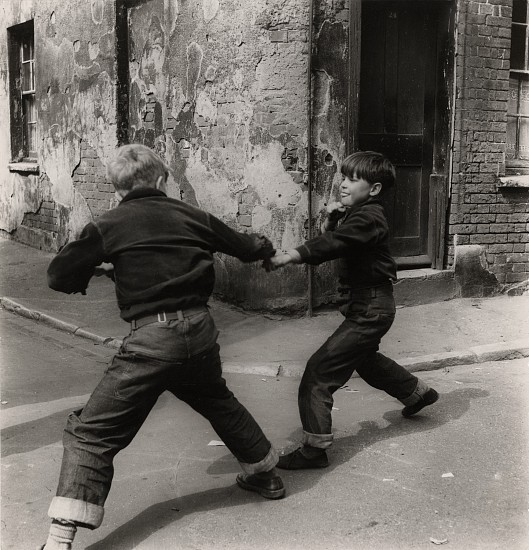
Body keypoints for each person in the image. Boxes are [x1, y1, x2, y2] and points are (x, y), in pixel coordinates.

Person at [40, 144, 285, 550]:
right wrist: (267, 248)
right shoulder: (192, 216)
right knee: (215, 399)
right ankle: (264, 472)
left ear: (118, 189)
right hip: (200, 330)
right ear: (159, 181)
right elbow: (244, 246)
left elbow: (57, 276)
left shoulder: (108, 224)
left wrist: (96, 269)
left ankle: (60, 537)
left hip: (152, 339)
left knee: (90, 432)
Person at [268, 151, 439, 470]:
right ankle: (417, 393)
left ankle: (314, 450)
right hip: (369, 307)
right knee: (364, 359)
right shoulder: (360, 215)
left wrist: (292, 254)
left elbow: (335, 244)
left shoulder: (368, 217)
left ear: (373, 189)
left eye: (351, 179)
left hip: (369, 310)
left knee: (318, 372)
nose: (343, 185)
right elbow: (339, 239)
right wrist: (333, 219)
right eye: (343, 178)